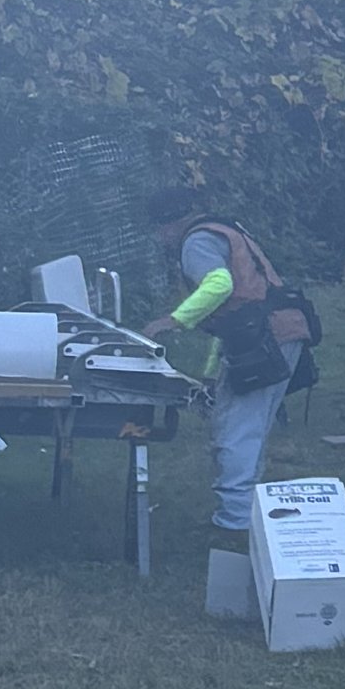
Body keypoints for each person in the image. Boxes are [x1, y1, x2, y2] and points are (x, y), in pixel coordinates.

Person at [142, 189, 319, 547]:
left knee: (235, 432)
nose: (158, 240)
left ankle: (234, 526)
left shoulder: (195, 242)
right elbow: (235, 311)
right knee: (249, 428)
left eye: (157, 231)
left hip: (265, 339)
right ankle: (245, 514)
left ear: (167, 225)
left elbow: (220, 287)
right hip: (278, 333)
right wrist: (212, 370)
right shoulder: (221, 230)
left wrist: (174, 321)